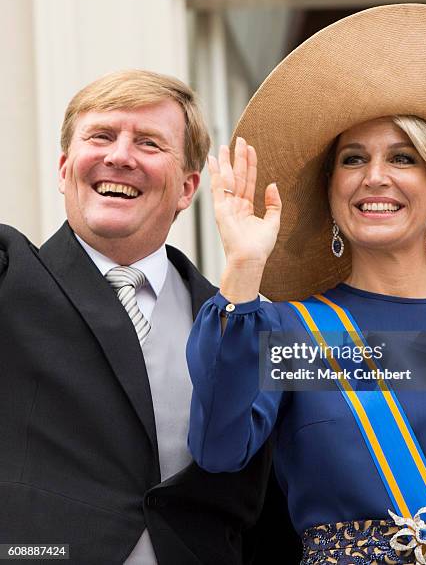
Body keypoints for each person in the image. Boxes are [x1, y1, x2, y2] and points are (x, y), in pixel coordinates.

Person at [186, 4, 426, 564]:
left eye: (403, 158)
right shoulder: (289, 332)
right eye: (353, 159)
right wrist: (243, 266)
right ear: (332, 195)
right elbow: (218, 449)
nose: (374, 176)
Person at [0, 69, 299, 564]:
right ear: (63, 169)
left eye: (149, 143)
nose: (120, 156)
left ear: (186, 189)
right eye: (100, 136)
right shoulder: (9, 273)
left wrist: (246, 271)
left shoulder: (244, 321)